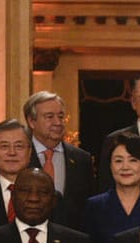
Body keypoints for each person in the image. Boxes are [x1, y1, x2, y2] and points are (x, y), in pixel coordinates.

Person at [23, 90, 97, 223]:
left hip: (72, 239)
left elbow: (89, 206)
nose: (58, 122)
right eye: (49, 117)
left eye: (61, 116)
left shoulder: (81, 159)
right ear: (31, 121)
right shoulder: (19, 156)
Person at [84, 135, 140, 243]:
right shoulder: (95, 206)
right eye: (118, 161)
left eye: (133, 160)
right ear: (110, 165)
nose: (125, 167)